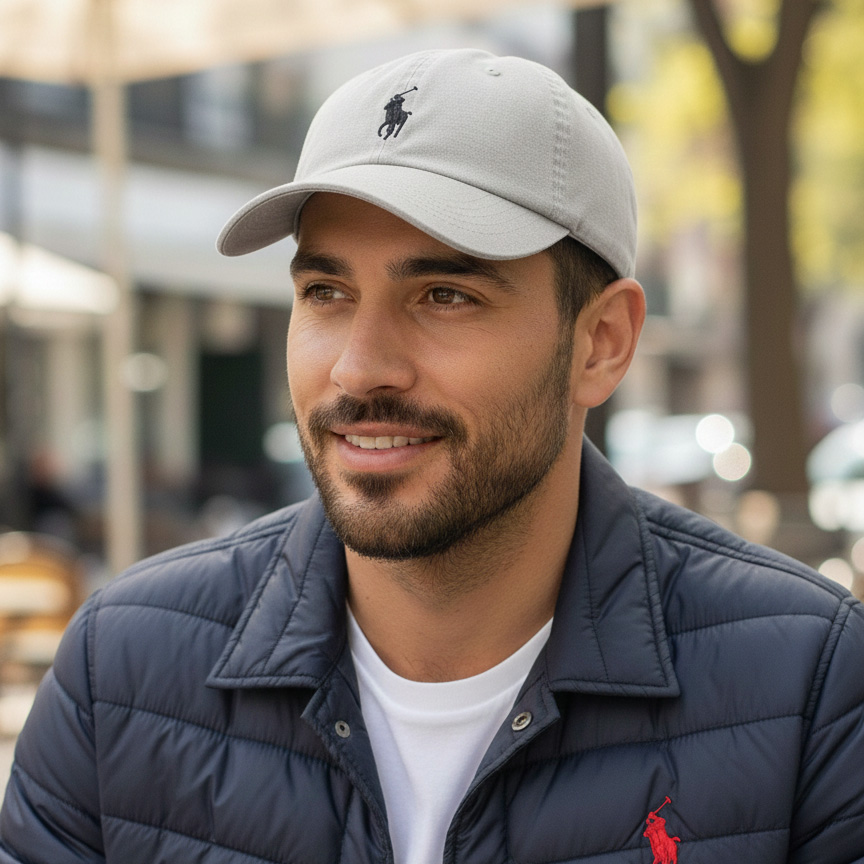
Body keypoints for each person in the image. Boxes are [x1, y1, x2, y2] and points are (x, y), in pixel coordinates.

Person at [1, 48, 863, 864]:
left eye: (445, 295)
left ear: (601, 342)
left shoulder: (808, 688)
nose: (359, 367)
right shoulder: (121, 673)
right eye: (326, 292)